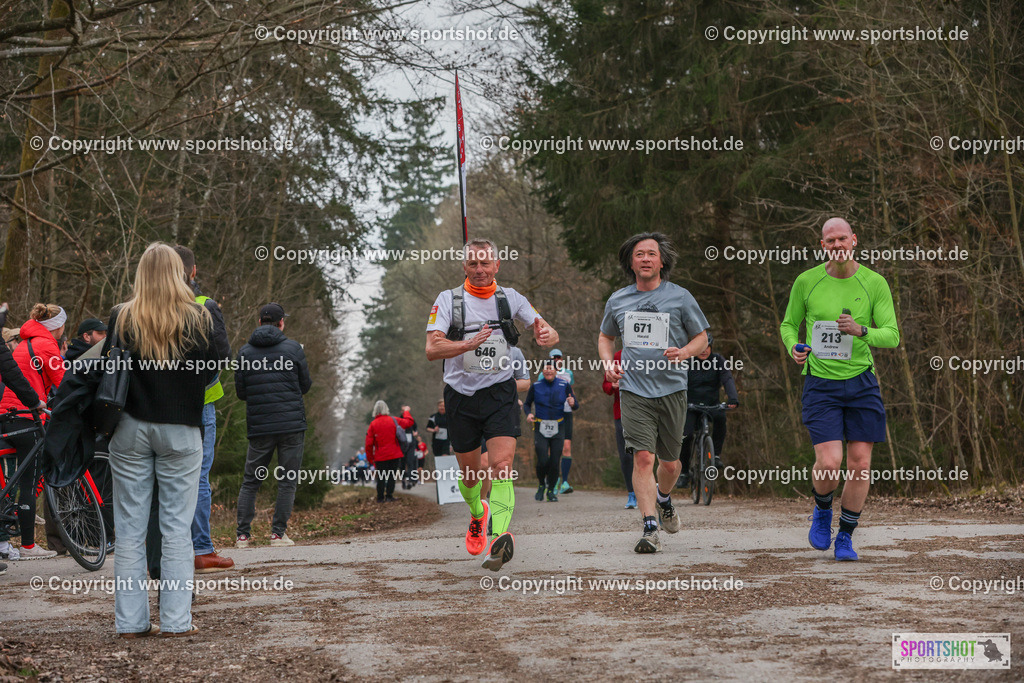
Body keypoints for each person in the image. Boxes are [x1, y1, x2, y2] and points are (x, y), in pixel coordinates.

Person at [102, 242, 220, 637]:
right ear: (180, 273)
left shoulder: (121, 316)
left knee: (129, 531)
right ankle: (175, 621)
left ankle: (131, 622)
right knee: (176, 529)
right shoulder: (199, 317)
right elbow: (211, 372)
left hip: (130, 428)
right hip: (181, 429)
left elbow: (109, 371)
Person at [425, 238, 559, 571]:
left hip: (500, 393)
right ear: (464, 267)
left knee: (501, 466)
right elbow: (432, 349)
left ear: (497, 265)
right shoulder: (448, 300)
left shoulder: (511, 299)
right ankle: (477, 514)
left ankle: (498, 539)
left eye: (486, 263)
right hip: (460, 397)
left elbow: (546, 329)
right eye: (473, 264)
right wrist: (466, 345)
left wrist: (546, 335)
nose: (480, 270)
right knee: (471, 475)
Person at [780, 217, 899, 562]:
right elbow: (789, 324)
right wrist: (793, 346)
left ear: (854, 240)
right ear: (823, 246)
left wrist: (862, 330)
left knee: (860, 464)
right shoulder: (807, 281)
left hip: (861, 381)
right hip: (821, 383)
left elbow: (892, 335)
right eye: (830, 241)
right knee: (830, 462)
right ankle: (822, 509)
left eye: (842, 239)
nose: (837, 245)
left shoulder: (874, 282)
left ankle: (845, 536)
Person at [598, 232, 710, 554]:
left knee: (671, 465)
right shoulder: (618, 300)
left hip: (673, 389)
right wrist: (608, 364)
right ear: (631, 263)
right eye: (639, 254)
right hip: (634, 389)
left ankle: (664, 498)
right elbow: (606, 337)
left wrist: (684, 352)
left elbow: (702, 338)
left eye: (651, 254)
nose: (645, 258)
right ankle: (649, 527)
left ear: (662, 262)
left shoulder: (681, 297)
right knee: (643, 457)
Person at [169, 246, 233, 572]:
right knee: (197, 477)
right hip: (201, 404)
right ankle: (202, 549)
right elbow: (221, 355)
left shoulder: (149, 306)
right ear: (193, 271)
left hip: (157, 406)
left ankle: (168, 549)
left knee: (165, 478)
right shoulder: (205, 305)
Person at [235, 303, 312, 548]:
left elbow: (241, 392)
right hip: (291, 425)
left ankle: (242, 536)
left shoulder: (245, 352)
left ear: (259, 322)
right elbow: (305, 385)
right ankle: (278, 534)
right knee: (287, 480)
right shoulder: (294, 349)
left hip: (260, 425)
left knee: (251, 481)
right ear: (281, 323)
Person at [0, 303, 68, 560]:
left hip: (6, 415)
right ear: (58, 327)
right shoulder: (47, 345)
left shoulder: (23, 343)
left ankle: (4, 541)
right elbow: (64, 383)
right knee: (28, 482)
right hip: (28, 416)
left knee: (10, 480)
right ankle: (28, 545)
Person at [677, 332, 739, 488]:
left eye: (707, 347)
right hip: (691, 405)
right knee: (686, 435)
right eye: (701, 347)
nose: (704, 351)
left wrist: (732, 398)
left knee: (721, 419)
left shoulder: (718, 360)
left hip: (712, 404)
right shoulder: (688, 361)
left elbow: (727, 378)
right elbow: (678, 382)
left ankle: (715, 455)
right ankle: (684, 472)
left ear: (711, 347)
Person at [523, 360, 577, 502]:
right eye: (546, 368)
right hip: (540, 426)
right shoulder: (536, 386)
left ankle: (551, 491)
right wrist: (528, 414)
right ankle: (542, 484)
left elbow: (575, 404)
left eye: (551, 368)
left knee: (554, 461)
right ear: (542, 371)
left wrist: (573, 403)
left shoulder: (564, 384)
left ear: (556, 371)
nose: (548, 371)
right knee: (542, 460)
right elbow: (527, 404)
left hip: (558, 427)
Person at [601, 349, 635, 509]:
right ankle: (631, 493)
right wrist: (613, 385)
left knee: (644, 455)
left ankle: (647, 491)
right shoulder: (617, 356)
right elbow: (605, 385)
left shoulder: (649, 354)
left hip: (644, 412)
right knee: (626, 456)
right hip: (621, 413)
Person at [364, 401, 415, 502]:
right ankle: (389, 496)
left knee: (381, 477)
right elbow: (409, 422)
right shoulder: (394, 420)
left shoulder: (373, 424)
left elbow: (368, 444)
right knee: (392, 475)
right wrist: (406, 411)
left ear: (375, 410)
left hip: (380, 456)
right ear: (386, 409)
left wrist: (370, 459)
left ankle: (380, 498)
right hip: (394, 454)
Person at [546, 349, 577, 494]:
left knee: (566, 447)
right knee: (552, 449)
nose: (556, 360)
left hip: (566, 413)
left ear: (562, 359)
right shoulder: (545, 373)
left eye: (558, 357)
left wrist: (573, 402)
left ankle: (564, 482)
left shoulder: (568, 373)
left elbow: (572, 392)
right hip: (551, 414)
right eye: (553, 358)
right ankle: (554, 480)